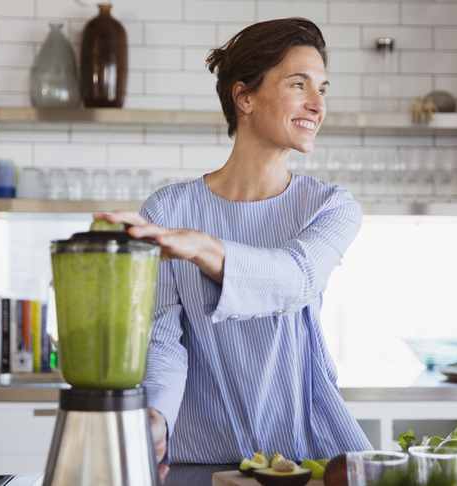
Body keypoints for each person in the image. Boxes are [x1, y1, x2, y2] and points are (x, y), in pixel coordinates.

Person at [100, 17, 372, 481]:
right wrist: (157, 417)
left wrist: (202, 247)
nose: (317, 104)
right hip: (201, 457)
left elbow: (295, 280)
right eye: (298, 84)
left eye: (323, 88)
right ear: (244, 96)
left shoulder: (329, 206)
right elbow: (164, 340)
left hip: (310, 455)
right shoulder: (169, 208)